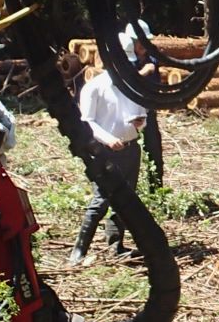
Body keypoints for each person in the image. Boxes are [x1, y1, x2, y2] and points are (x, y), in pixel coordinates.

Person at [68, 26, 150, 265]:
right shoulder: (94, 87)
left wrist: (139, 125)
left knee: (125, 199)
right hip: (104, 152)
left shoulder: (132, 85)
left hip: (130, 149)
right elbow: (87, 122)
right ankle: (79, 250)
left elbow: (142, 115)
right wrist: (107, 139)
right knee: (101, 200)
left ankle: (116, 245)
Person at [125, 19, 165, 188]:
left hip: (148, 110)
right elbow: (124, 82)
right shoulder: (123, 57)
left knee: (154, 150)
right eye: (140, 41)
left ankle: (156, 189)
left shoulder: (152, 56)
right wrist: (142, 72)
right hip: (127, 114)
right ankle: (127, 191)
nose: (143, 45)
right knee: (129, 153)